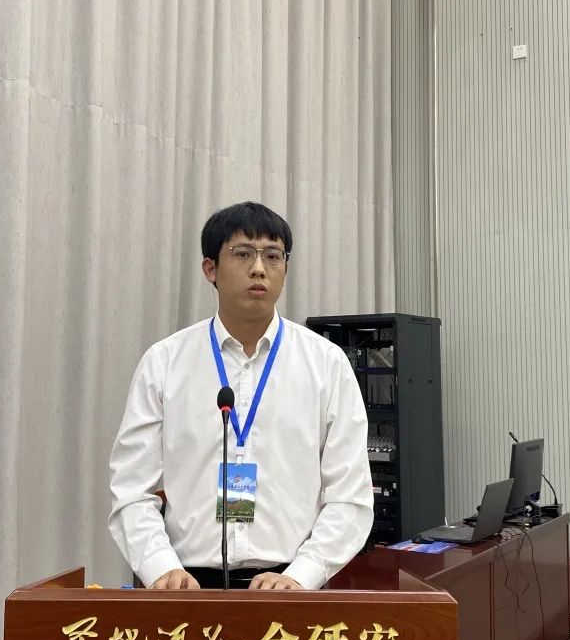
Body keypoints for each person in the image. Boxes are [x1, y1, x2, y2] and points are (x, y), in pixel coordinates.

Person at [107, 201, 373, 590]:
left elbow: (350, 496)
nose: (259, 268)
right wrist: (160, 568)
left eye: (273, 255)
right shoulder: (164, 362)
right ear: (210, 268)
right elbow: (132, 489)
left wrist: (303, 574)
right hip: (188, 590)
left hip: (291, 588)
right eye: (243, 253)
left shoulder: (326, 365)